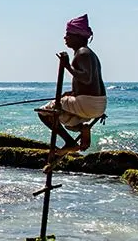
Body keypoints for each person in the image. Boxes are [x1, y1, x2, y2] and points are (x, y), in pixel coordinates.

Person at [37, 14, 106, 155]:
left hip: (87, 103)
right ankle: (83, 129)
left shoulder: (82, 53)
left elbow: (86, 78)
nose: (65, 38)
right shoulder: (90, 54)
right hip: (98, 104)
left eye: (68, 34)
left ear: (78, 36)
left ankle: (70, 143)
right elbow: (92, 83)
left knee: (44, 112)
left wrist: (67, 66)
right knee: (67, 120)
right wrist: (73, 93)